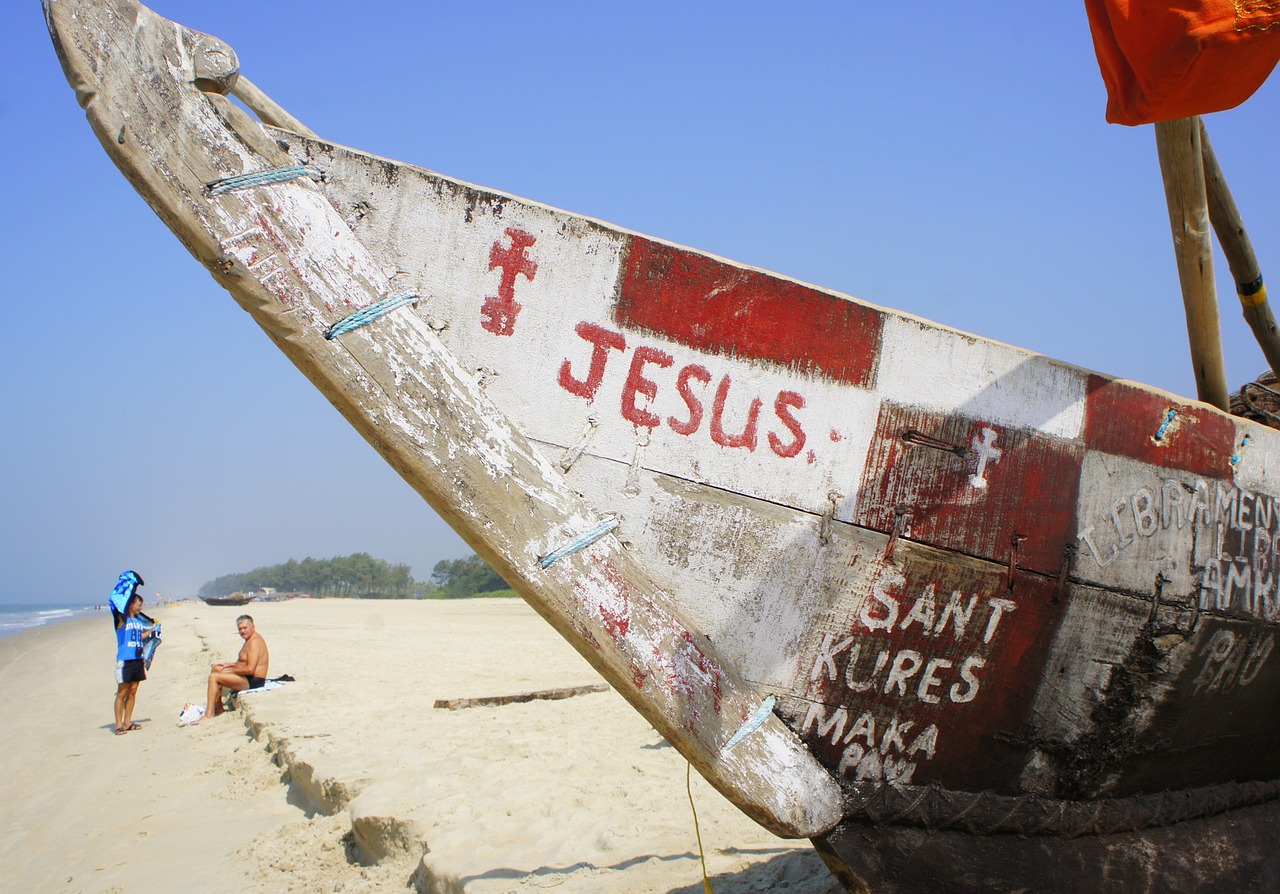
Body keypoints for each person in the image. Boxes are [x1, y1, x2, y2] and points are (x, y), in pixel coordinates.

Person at [195, 614, 269, 723]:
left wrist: (230, 670)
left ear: (253, 627)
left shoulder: (254, 642)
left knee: (214, 677)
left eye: (245, 628)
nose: (243, 631)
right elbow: (244, 662)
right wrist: (230, 665)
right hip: (246, 677)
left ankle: (209, 714)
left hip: (254, 681)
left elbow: (250, 669)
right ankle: (219, 707)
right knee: (216, 668)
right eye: (240, 629)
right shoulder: (249, 639)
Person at [113, 593, 157, 735]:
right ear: (131, 604)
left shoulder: (138, 622)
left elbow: (140, 636)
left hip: (138, 660)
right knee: (122, 692)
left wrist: (151, 630)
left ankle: (128, 722)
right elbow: (117, 607)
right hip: (126, 661)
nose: (141, 607)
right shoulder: (122, 620)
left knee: (132, 691)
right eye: (139, 604)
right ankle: (119, 724)